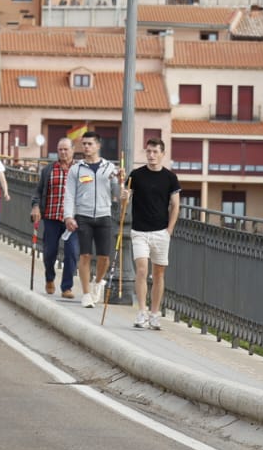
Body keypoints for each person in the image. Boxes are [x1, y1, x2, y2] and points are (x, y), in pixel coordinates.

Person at [64, 133, 124, 309]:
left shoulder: (109, 168)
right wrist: (69, 216)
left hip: (104, 216)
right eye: (84, 144)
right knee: (84, 255)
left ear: (98, 146)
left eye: (90, 144)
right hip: (83, 216)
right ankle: (86, 293)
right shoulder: (76, 169)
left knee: (104, 257)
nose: (86, 147)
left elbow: (119, 195)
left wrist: (121, 183)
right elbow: (69, 195)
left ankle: (98, 282)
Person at [127, 138, 182, 329]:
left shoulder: (170, 178)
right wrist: (123, 195)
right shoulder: (136, 175)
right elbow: (123, 196)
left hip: (161, 231)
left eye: (155, 152)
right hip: (139, 231)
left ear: (162, 154)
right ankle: (141, 312)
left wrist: (169, 230)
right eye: (148, 151)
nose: (151, 155)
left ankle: (154, 313)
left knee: (158, 274)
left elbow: (176, 205)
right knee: (142, 270)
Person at [30, 138, 82, 300]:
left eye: (66, 149)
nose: (63, 153)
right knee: (49, 252)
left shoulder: (81, 169)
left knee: (72, 252)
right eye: (60, 150)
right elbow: (38, 192)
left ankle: (66, 287)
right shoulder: (48, 170)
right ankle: (49, 278)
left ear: (73, 150)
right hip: (52, 216)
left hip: (72, 220)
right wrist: (36, 206)